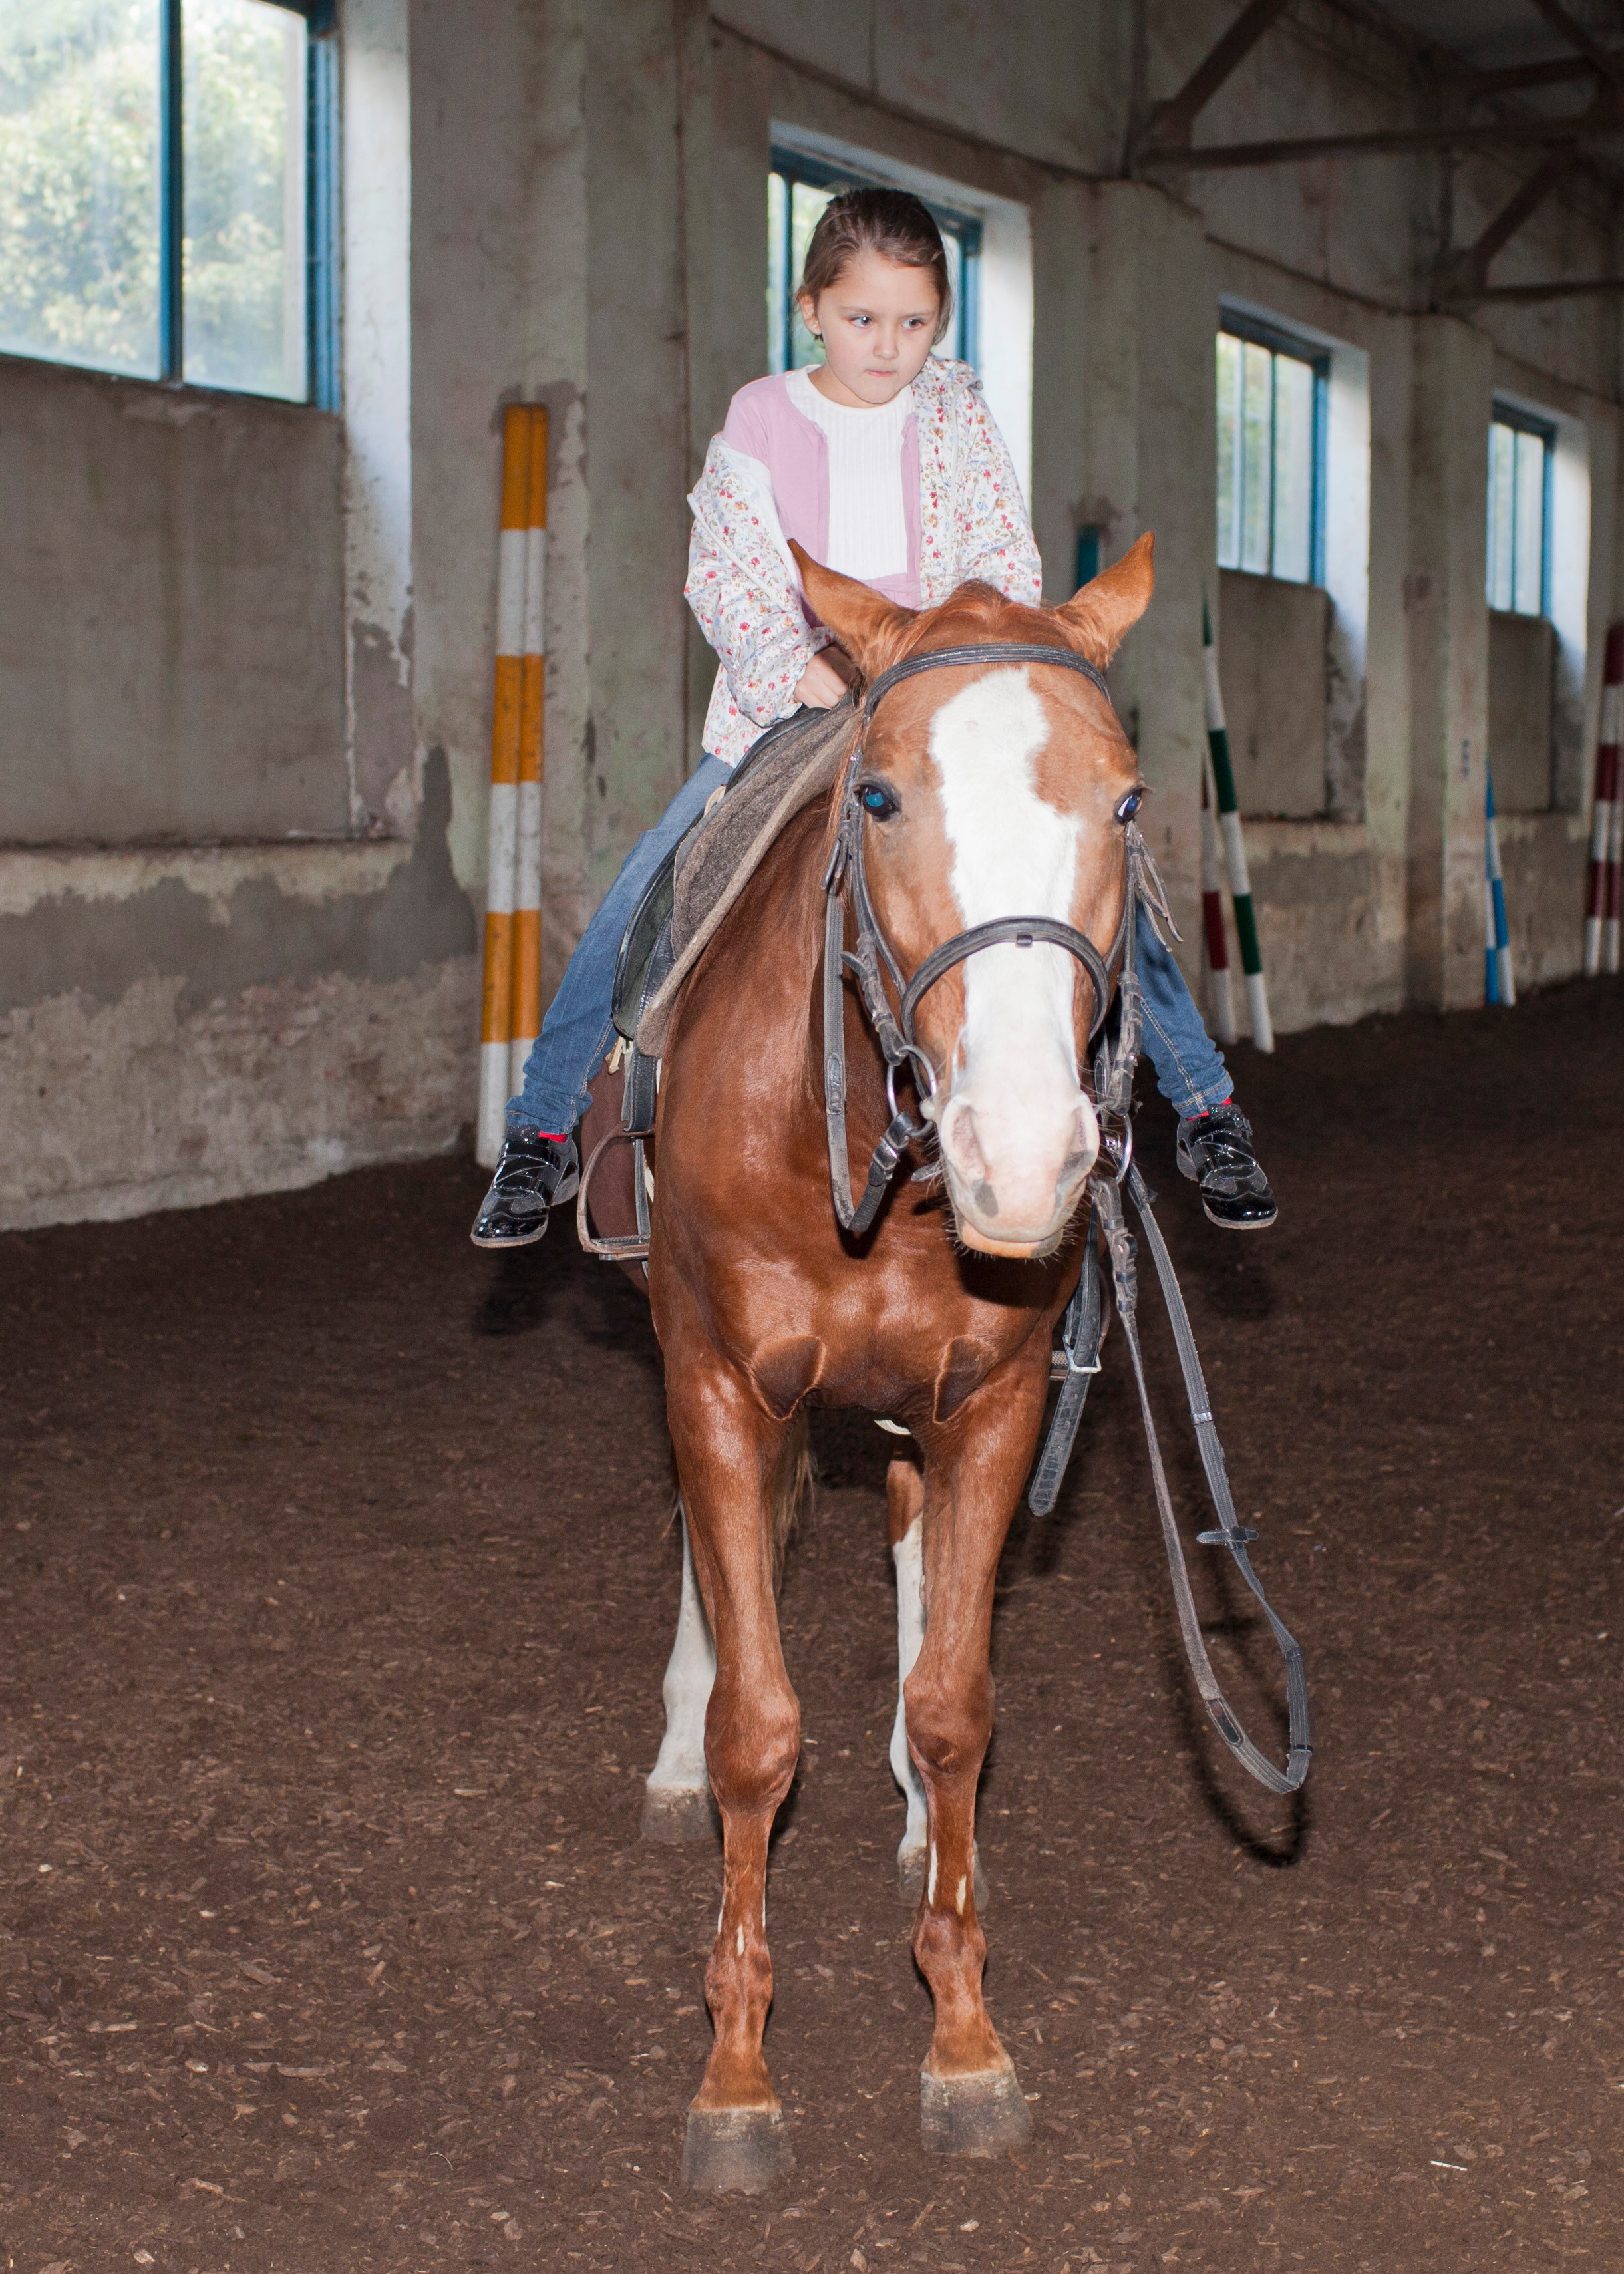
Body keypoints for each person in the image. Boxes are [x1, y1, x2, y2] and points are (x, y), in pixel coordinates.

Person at [472, 188, 1276, 1251]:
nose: (887, 346)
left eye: (913, 322)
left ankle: (1208, 1109)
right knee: (650, 888)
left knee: (1097, 876)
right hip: (798, 701)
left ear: (939, 320)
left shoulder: (957, 412)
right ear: (811, 308)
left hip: (940, 702)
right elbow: (725, 572)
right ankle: (541, 1125)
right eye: (862, 320)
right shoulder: (763, 416)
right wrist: (798, 668)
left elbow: (1003, 557)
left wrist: (957, 667)